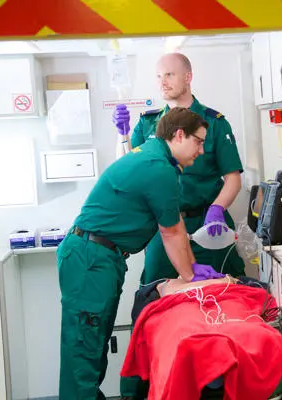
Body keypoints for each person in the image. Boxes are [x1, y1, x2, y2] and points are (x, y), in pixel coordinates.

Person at [57, 107, 225, 400]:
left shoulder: (154, 158)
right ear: (179, 134)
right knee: (83, 352)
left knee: (92, 349)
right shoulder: (157, 168)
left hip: (99, 257)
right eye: (199, 141)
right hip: (90, 258)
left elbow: (176, 226)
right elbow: (170, 232)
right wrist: (190, 276)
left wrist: (193, 268)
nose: (201, 150)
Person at [113, 52, 247, 400]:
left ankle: (228, 382)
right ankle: (152, 385)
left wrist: (217, 208)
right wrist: (123, 135)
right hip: (165, 226)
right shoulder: (149, 123)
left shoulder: (215, 122)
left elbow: (232, 178)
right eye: (159, 76)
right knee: (156, 298)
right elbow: (135, 168)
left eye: (170, 74)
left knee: (228, 297)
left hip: (209, 223)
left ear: (188, 76)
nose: (163, 82)